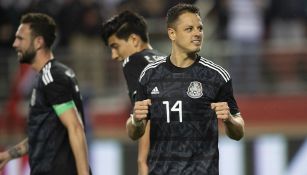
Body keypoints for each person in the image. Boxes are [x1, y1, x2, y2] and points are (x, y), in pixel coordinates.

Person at [130, 3, 245, 174]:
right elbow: (134, 132)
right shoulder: (149, 75)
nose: (197, 33)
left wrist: (229, 119)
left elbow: (239, 132)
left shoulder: (216, 76)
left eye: (200, 28)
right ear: (172, 33)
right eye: (189, 29)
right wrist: (136, 121)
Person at [0, 13, 91, 175]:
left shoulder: (52, 77)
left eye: (20, 39)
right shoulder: (49, 76)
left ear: (38, 42)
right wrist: (11, 154)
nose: (14, 44)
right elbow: (43, 133)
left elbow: (75, 127)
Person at [101, 10, 164, 175]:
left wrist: (142, 161)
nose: (114, 56)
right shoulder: (165, 59)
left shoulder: (133, 61)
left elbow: (146, 114)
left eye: (115, 46)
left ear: (134, 40)